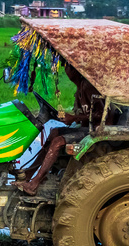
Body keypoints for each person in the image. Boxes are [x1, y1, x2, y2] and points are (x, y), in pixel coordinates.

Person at [15, 64, 99, 195]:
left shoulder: (88, 87)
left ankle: (34, 183)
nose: (66, 71)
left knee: (58, 141)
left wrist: (75, 117)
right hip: (85, 128)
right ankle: (29, 173)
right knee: (54, 131)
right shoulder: (79, 90)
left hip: (95, 131)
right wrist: (70, 118)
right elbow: (81, 115)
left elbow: (102, 115)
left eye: (68, 68)